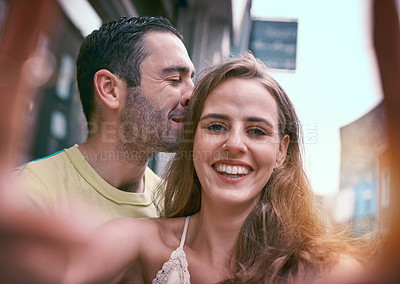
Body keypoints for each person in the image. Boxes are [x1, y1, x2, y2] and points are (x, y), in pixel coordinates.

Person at [56, 53, 373, 284]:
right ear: (193, 140)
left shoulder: (327, 272)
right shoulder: (134, 242)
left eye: (257, 131)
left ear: (281, 151)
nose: (234, 144)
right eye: (217, 126)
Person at [14, 16, 195, 228]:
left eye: (193, 79)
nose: (193, 94)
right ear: (110, 89)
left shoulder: (174, 205)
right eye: (174, 79)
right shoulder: (30, 194)